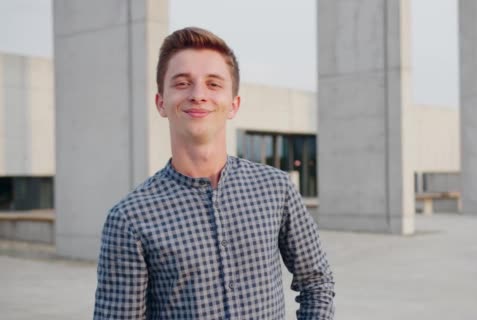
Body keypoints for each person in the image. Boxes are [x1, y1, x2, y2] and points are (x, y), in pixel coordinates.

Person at [94, 27, 335, 319]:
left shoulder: (276, 189)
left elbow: (316, 282)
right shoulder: (129, 219)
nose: (198, 95)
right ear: (161, 103)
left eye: (213, 84)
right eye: (182, 83)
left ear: (233, 104)